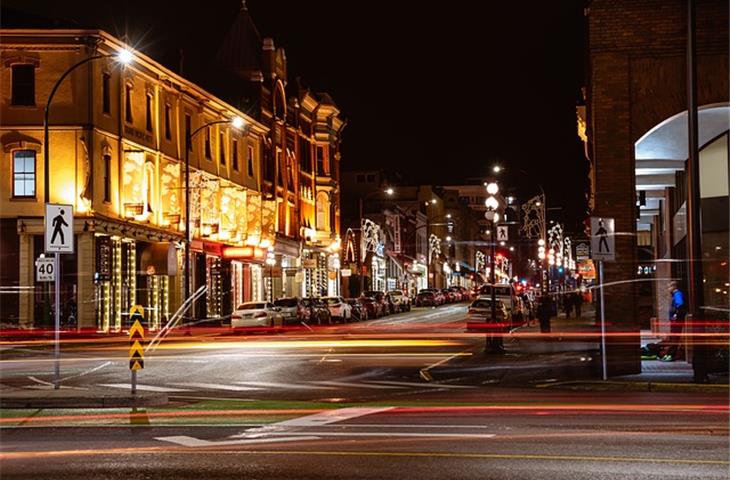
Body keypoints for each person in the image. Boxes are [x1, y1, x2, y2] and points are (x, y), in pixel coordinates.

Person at [661, 281, 687, 362]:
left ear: (673, 287)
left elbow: (680, 304)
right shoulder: (676, 294)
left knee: (675, 337)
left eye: (669, 287)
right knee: (674, 337)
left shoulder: (677, 294)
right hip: (675, 319)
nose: (669, 289)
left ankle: (672, 354)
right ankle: (671, 353)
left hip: (676, 320)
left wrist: (676, 315)